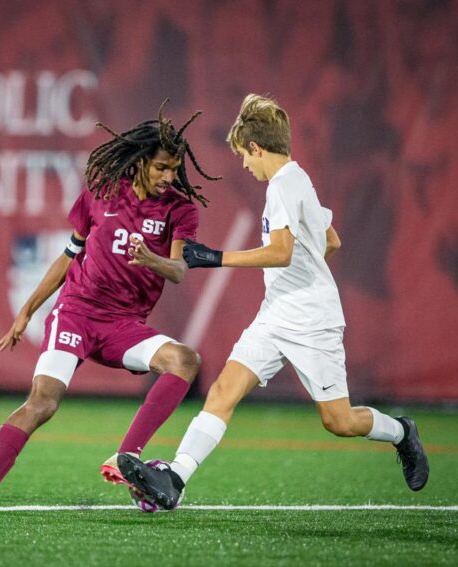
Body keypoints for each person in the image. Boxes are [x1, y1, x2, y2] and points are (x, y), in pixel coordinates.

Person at [118, 94, 430, 510]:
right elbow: (330, 240)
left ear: (256, 148)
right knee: (223, 391)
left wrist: (215, 257)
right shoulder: (298, 179)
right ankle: (176, 476)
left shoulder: (283, 185)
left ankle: (401, 432)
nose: (245, 166)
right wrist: (300, 277)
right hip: (275, 314)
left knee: (338, 420)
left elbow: (282, 251)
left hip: (312, 322)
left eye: (244, 157)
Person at [0, 101, 221, 512]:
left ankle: (126, 458)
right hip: (76, 313)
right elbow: (68, 255)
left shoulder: (179, 209)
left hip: (123, 326)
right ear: (141, 160)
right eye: (162, 167)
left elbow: (180, 270)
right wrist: (27, 310)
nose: (170, 176)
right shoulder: (102, 194)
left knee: (184, 360)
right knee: (43, 402)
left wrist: (153, 260)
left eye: (175, 168)